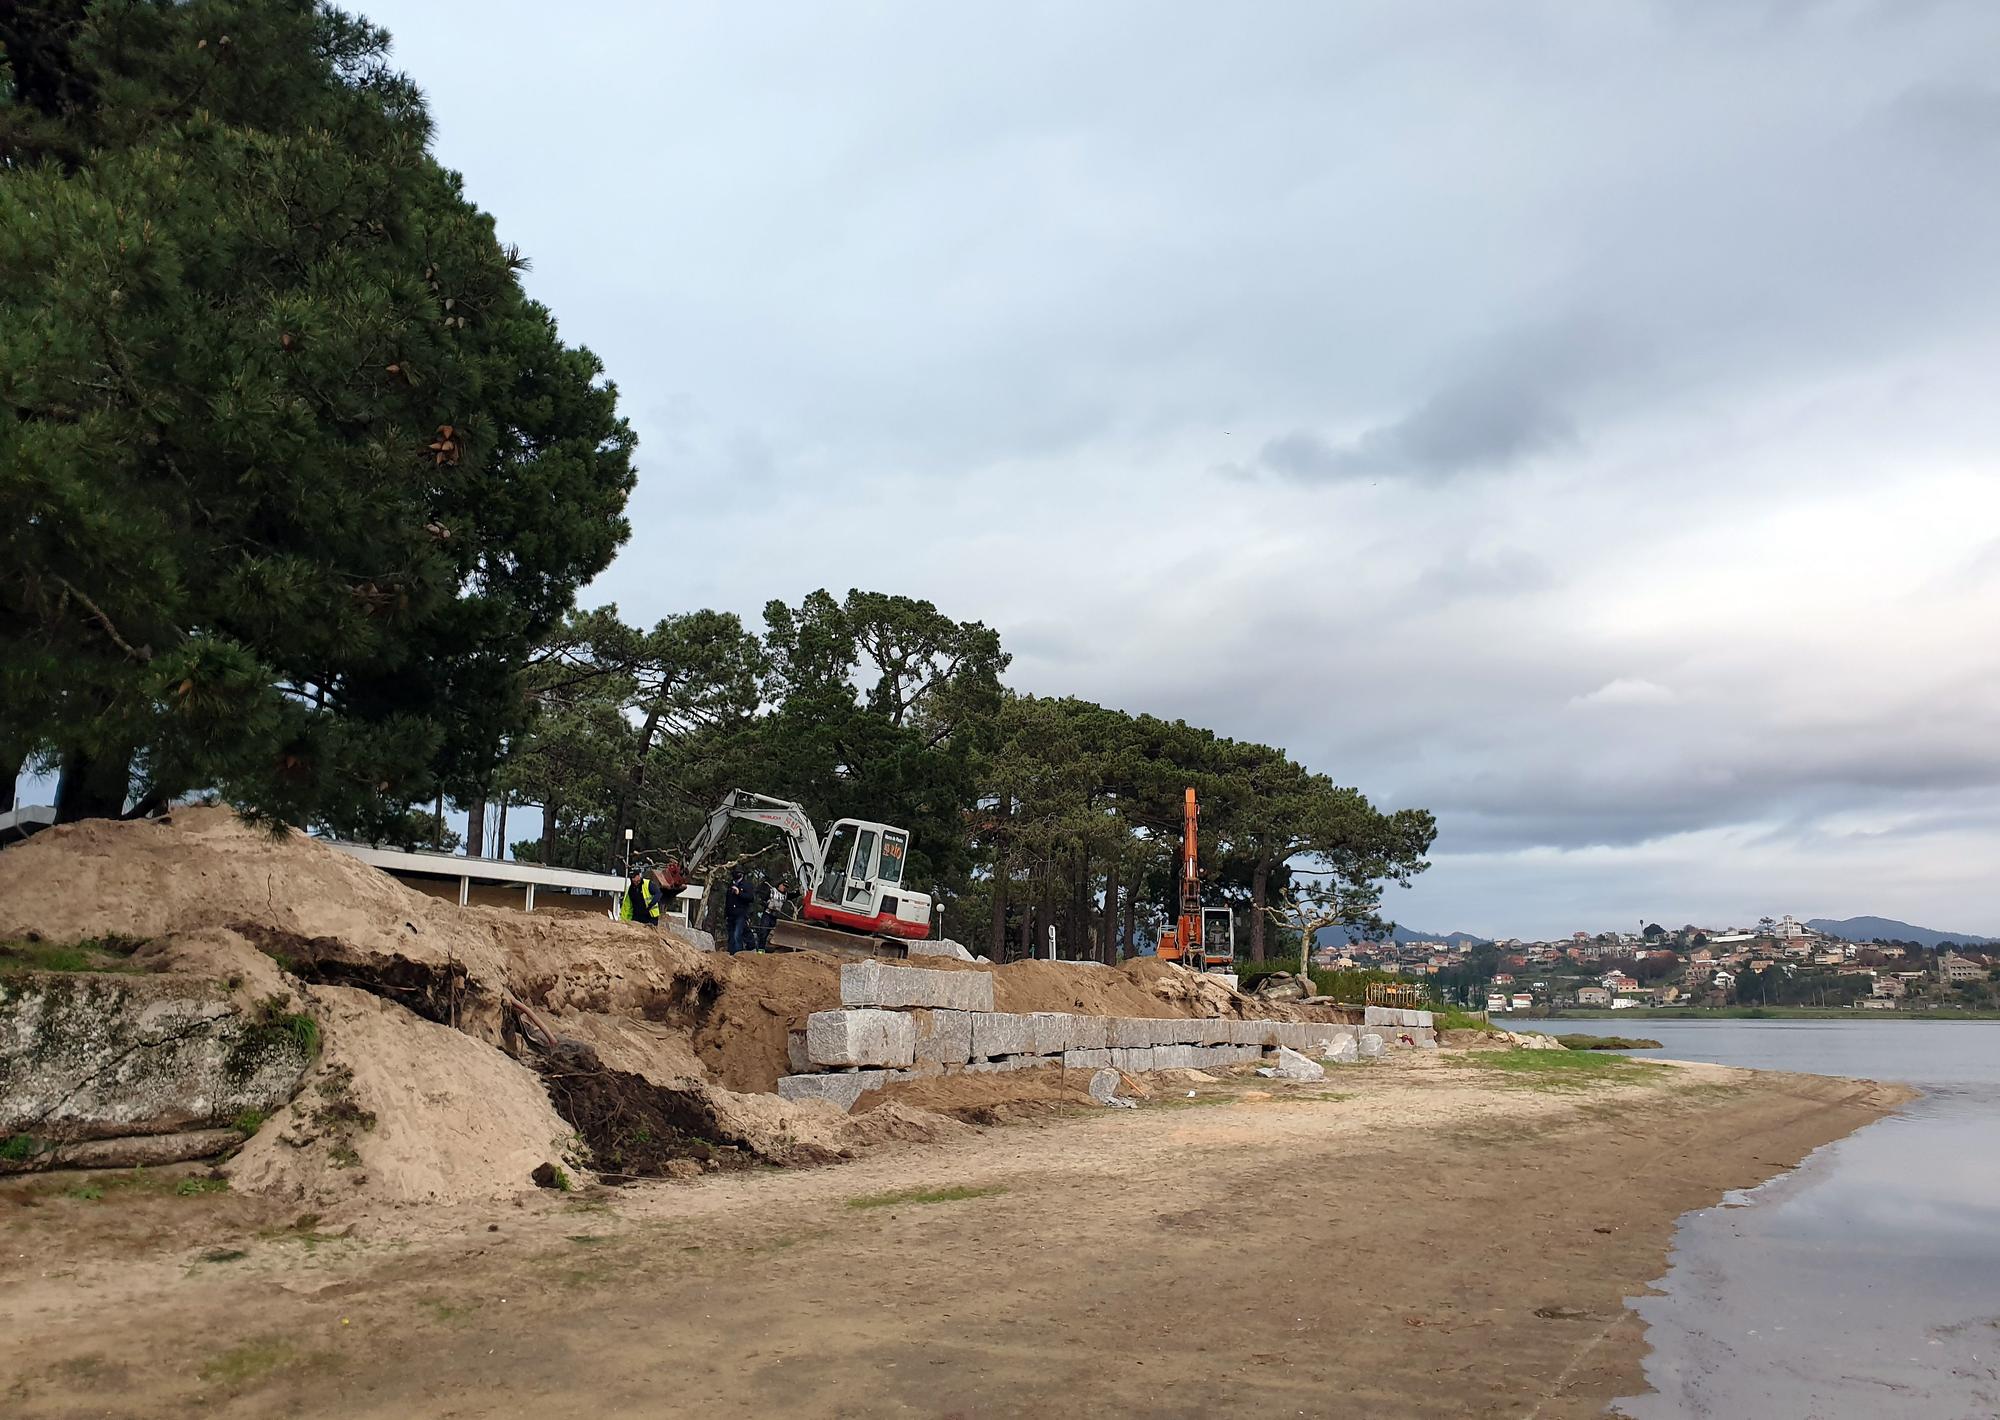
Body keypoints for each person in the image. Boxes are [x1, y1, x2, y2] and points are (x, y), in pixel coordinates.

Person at [724, 868, 753, 954]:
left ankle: (738, 953)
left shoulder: (746, 885)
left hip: (741, 913)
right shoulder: (730, 885)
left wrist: (739, 893)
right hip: (730, 914)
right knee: (731, 934)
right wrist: (725, 913)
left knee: (737, 933)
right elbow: (727, 900)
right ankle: (731, 952)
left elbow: (751, 898)